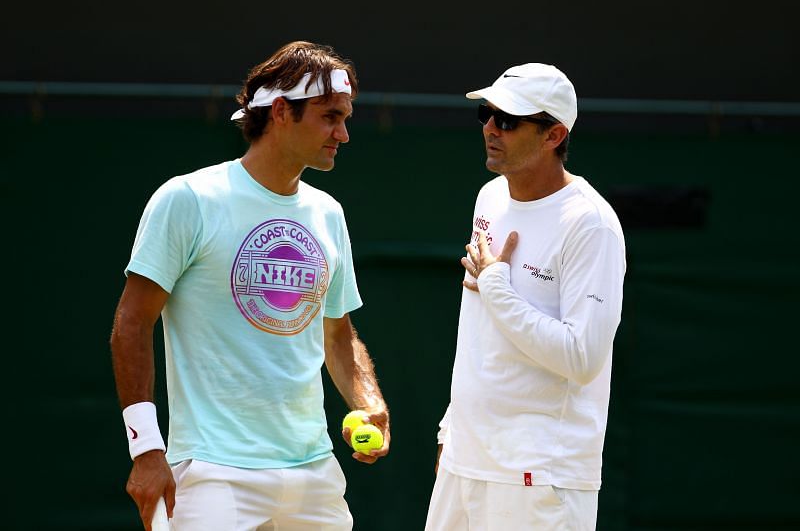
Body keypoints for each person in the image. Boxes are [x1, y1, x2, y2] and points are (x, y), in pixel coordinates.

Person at [110, 41, 390, 531]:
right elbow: (131, 325)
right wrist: (146, 449)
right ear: (281, 112)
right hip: (213, 473)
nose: (343, 134)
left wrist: (370, 403)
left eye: (345, 118)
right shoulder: (188, 199)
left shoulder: (329, 214)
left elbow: (337, 332)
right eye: (330, 117)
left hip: (314, 471)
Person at [425, 63, 626, 530]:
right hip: (466, 462)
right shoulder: (490, 197)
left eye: (509, 121)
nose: (492, 129)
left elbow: (582, 357)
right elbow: (484, 332)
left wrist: (497, 287)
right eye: (488, 116)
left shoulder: (590, 225)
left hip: (540, 476)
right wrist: (453, 430)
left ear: (554, 135)